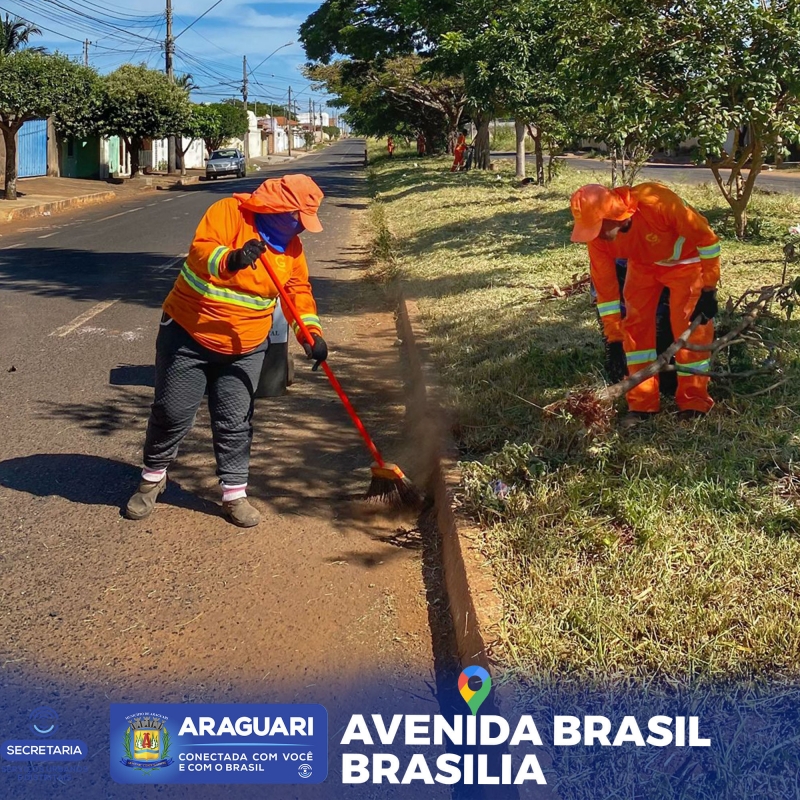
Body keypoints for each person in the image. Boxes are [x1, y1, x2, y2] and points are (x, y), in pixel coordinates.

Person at [125, 174, 329, 528]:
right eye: (299, 219)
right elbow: (201, 250)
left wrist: (311, 333)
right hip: (189, 334)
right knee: (172, 412)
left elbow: (297, 292)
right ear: (281, 209)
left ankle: (234, 494)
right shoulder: (229, 213)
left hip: (246, 346)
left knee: (235, 419)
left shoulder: (292, 249)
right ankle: (152, 478)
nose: (302, 230)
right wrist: (232, 259)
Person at [570, 182, 721, 426]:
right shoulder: (598, 240)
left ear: (613, 216)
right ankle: (642, 404)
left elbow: (708, 240)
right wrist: (614, 337)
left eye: (596, 226)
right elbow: (606, 290)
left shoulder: (658, 202)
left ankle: (694, 401)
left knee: (690, 329)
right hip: (642, 264)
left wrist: (709, 288)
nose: (593, 234)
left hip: (685, 262)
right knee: (635, 327)